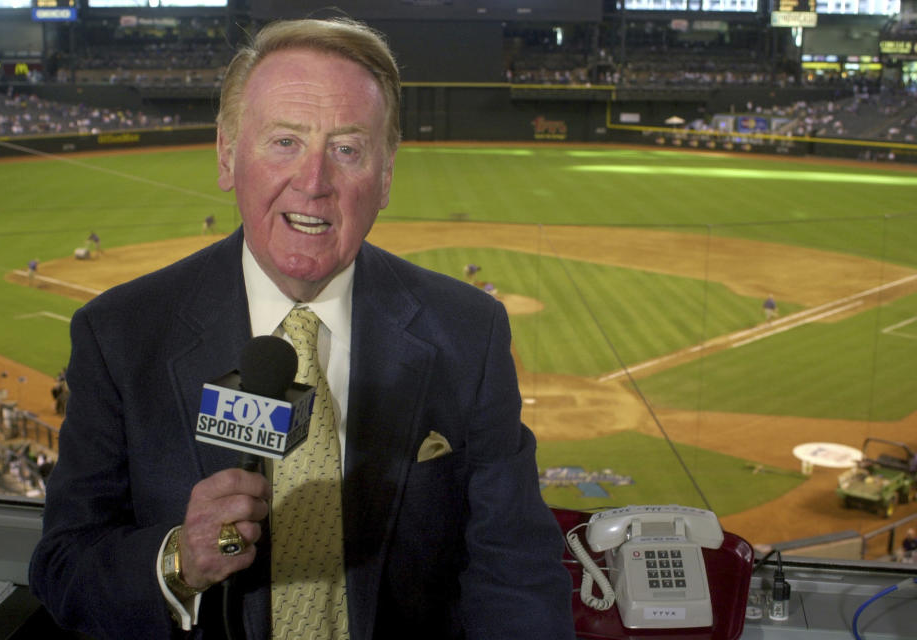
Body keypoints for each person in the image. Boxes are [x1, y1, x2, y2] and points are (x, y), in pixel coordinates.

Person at [29, 18, 575, 640]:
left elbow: (516, 571)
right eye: (284, 141)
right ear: (227, 155)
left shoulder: (468, 332)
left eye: (347, 149)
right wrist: (178, 560)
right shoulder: (121, 334)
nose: (314, 182)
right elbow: (63, 567)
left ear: (386, 176)